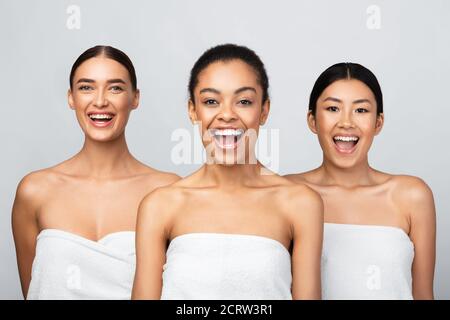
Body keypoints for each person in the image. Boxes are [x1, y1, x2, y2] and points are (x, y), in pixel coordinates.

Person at [132, 44, 324, 300]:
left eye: (244, 102)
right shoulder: (160, 205)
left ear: (264, 110)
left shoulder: (300, 204)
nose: (226, 115)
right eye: (211, 101)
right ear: (193, 110)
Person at [12, 45, 179, 299]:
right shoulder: (35, 191)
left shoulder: (170, 191)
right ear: (71, 98)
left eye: (115, 88)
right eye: (86, 87)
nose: (100, 101)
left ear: (135, 98)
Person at [285, 62, 436, 299]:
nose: (346, 122)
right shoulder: (285, 193)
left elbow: (424, 294)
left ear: (378, 123)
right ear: (312, 121)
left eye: (361, 110)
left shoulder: (412, 196)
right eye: (333, 108)